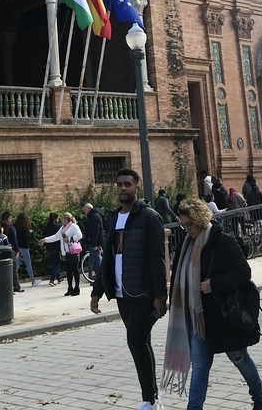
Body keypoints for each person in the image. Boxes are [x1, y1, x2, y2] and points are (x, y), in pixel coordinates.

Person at [162, 199, 262, 410]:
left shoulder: (224, 241)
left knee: (240, 358)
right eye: (183, 225)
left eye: (189, 225)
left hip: (224, 318)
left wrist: (215, 283)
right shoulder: (186, 245)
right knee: (200, 366)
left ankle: (260, 400)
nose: (187, 229)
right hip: (198, 319)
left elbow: (243, 272)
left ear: (200, 220)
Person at [91, 168, 168, 410]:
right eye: (119, 185)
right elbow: (108, 257)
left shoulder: (149, 217)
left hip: (144, 293)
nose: (123, 188)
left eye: (128, 184)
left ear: (137, 187)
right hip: (122, 294)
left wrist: (160, 295)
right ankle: (154, 398)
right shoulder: (113, 218)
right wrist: (97, 290)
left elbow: (158, 258)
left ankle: (149, 399)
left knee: (135, 341)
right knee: (141, 342)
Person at [39, 212, 83, 296]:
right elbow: (55, 237)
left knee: (75, 270)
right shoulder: (62, 228)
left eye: (63, 219)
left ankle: (77, 288)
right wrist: (45, 240)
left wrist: (70, 239)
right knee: (69, 271)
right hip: (65, 252)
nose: (61, 220)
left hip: (73, 251)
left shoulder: (73, 226)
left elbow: (79, 235)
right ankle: (70, 288)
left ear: (67, 219)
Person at [14, 212, 42, 287]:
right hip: (24, 247)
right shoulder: (25, 228)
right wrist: (30, 232)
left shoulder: (15, 227)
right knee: (28, 264)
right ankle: (33, 280)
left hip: (17, 247)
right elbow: (27, 237)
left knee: (16, 265)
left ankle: (13, 281)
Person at [1, 211, 23, 293]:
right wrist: (17, 251)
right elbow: (14, 240)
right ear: (8, 219)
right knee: (13, 270)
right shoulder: (11, 228)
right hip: (10, 250)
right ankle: (16, 287)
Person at [83, 202, 105, 278]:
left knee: (96, 260)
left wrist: (94, 244)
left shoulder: (94, 217)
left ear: (89, 208)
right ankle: (100, 276)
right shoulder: (93, 216)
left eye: (85, 208)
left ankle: (100, 277)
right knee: (94, 260)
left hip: (94, 243)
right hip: (93, 242)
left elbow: (95, 231)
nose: (84, 210)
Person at [44, 211, 63, 286]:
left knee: (55, 262)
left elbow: (45, 237)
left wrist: (45, 247)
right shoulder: (59, 227)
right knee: (56, 264)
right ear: (56, 218)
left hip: (50, 247)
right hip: (57, 247)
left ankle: (58, 277)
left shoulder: (47, 227)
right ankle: (52, 280)